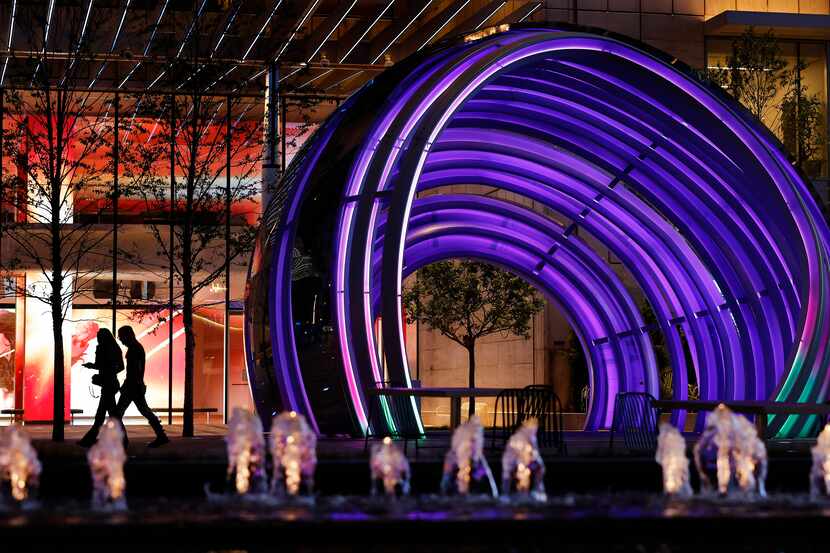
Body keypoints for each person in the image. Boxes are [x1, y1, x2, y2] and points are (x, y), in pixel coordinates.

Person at [116, 325, 169, 448]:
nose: (120, 339)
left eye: (121, 336)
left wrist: (129, 384)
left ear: (127, 335)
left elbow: (135, 370)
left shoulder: (134, 349)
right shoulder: (135, 348)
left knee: (118, 413)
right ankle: (161, 436)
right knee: (144, 411)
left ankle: (123, 440)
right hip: (134, 386)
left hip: (132, 386)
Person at [79, 328, 125, 448]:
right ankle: (91, 439)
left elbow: (100, 365)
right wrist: (110, 371)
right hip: (111, 383)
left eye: (99, 336)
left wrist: (96, 368)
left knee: (105, 415)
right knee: (109, 414)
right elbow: (121, 367)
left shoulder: (102, 348)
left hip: (107, 384)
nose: (98, 338)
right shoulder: (115, 348)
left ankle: (90, 439)